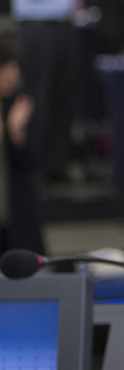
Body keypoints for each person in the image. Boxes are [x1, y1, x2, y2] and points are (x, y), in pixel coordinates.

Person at [4, 0, 93, 178]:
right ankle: (33, 165)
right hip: (36, 29)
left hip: (67, 26)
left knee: (65, 98)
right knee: (36, 97)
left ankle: (57, 167)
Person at [0, 38, 42, 254]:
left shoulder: (21, 104)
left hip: (15, 210)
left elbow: (32, 161)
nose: (12, 74)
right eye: (5, 68)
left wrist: (16, 133)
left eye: (14, 67)